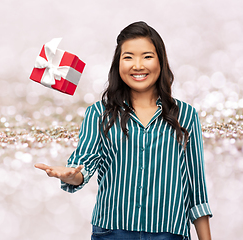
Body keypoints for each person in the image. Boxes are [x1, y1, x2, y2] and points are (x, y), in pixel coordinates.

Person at [35, 21, 212, 240]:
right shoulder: (99, 114)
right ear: (118, 64)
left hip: (169, 233)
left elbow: (196, 189)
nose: (138, 65)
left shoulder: (186, 116)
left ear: (161, 61)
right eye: (128, 57)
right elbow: (84, 164)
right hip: (112, 232)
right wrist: (71, 176)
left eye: (147, 56)